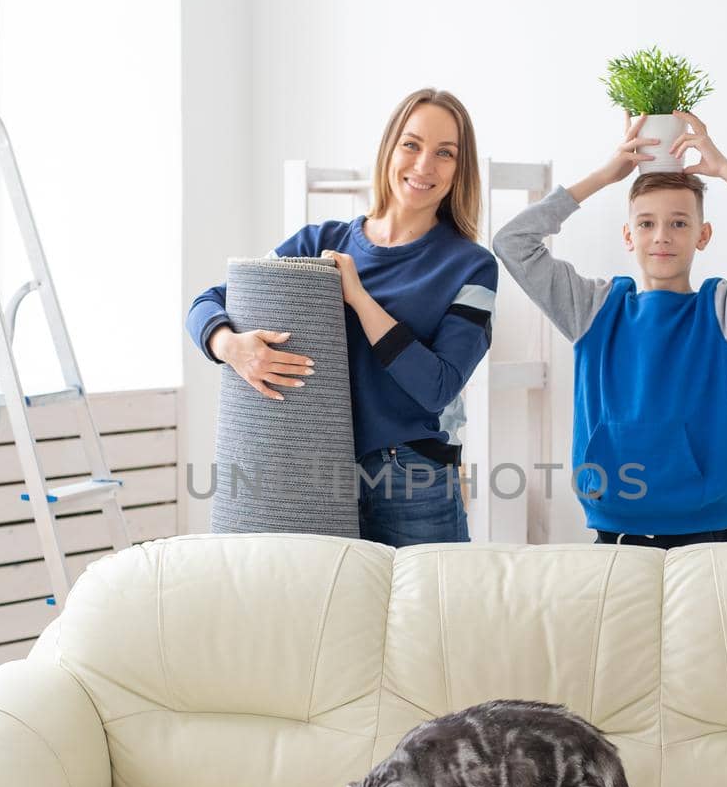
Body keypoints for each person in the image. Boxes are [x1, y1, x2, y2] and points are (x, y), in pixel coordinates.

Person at [186, 88, 498, 547]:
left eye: (444, 153)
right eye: (411, 144)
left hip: (412, 481)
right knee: (322, 617)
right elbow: (207, 303)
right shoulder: (320, 242)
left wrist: (358, 297)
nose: (424, 165)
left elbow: (438, 387)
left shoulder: (471, 265)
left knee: (430, 619)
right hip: (312, 475)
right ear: (389, 149)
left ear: (460, 168)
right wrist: (231, 347)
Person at [493, 111, 727, 549]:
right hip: (616, 535)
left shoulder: (724, 314)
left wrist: (724, 170)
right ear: (628, 235)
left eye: (679, 222)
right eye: (646, 223)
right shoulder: (593, 310)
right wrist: (604, 177)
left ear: (703, 235)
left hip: (707, 539)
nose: (662, 235)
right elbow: (512, 242)